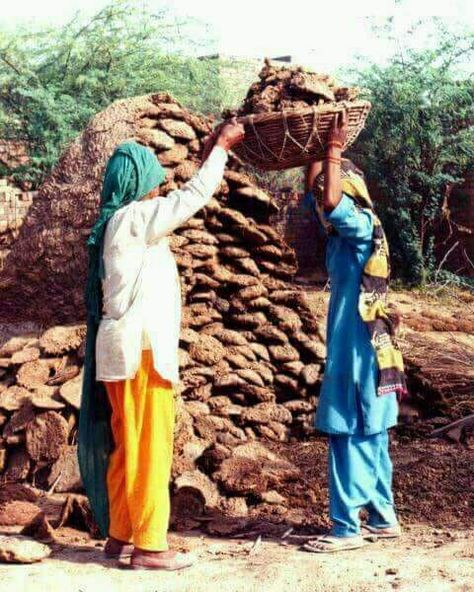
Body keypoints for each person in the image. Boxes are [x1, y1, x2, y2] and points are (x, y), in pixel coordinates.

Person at [78, 120, 245, 570]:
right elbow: (189, 199)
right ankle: (150, 546)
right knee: (149, 446)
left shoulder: (119, 223)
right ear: (137, 187)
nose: (158, 190)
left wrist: (210, 149)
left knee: (126, 444)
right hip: (141, 353)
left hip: (124, 353)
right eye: (151, 182)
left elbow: (174, 196)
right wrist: (223, 151)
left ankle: (120, 535)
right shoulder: (133, 219)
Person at [302, 111, 407, 553]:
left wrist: (333, 151)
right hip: (366, 344)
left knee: (349, 429)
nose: (318, 195)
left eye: (326, 184)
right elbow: (318, 196)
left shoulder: (360, 228)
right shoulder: (345, 234)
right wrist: (311, 152)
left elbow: (328, 200)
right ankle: (383, 518)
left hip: (359, 350)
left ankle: (346, 528)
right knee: (373, 432)